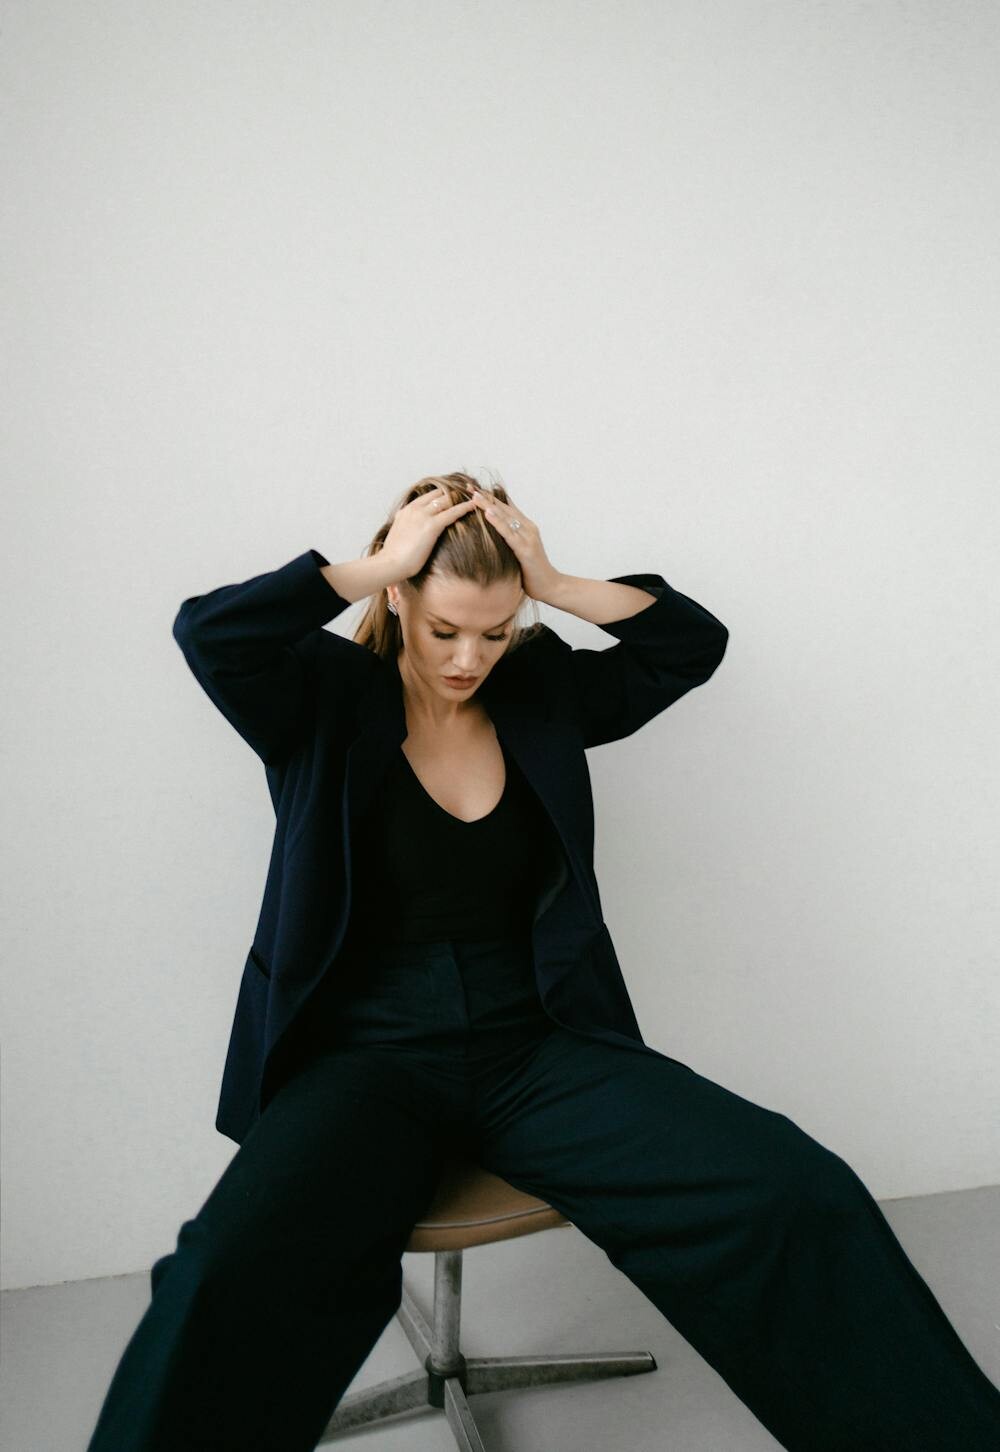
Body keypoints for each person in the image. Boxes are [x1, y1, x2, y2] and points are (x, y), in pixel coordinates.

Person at [85, 473, 1000, 1451]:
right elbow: (211, 634)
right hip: (365, 1057)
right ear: (399, 600)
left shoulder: (540, 692)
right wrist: (377, 563)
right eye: (444, 630)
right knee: (226, 1270)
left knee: (794, 1190)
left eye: (494, 631)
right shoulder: (317, 697)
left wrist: (553, 583)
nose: (468, 659)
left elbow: (688, 645)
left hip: (537, 1049)